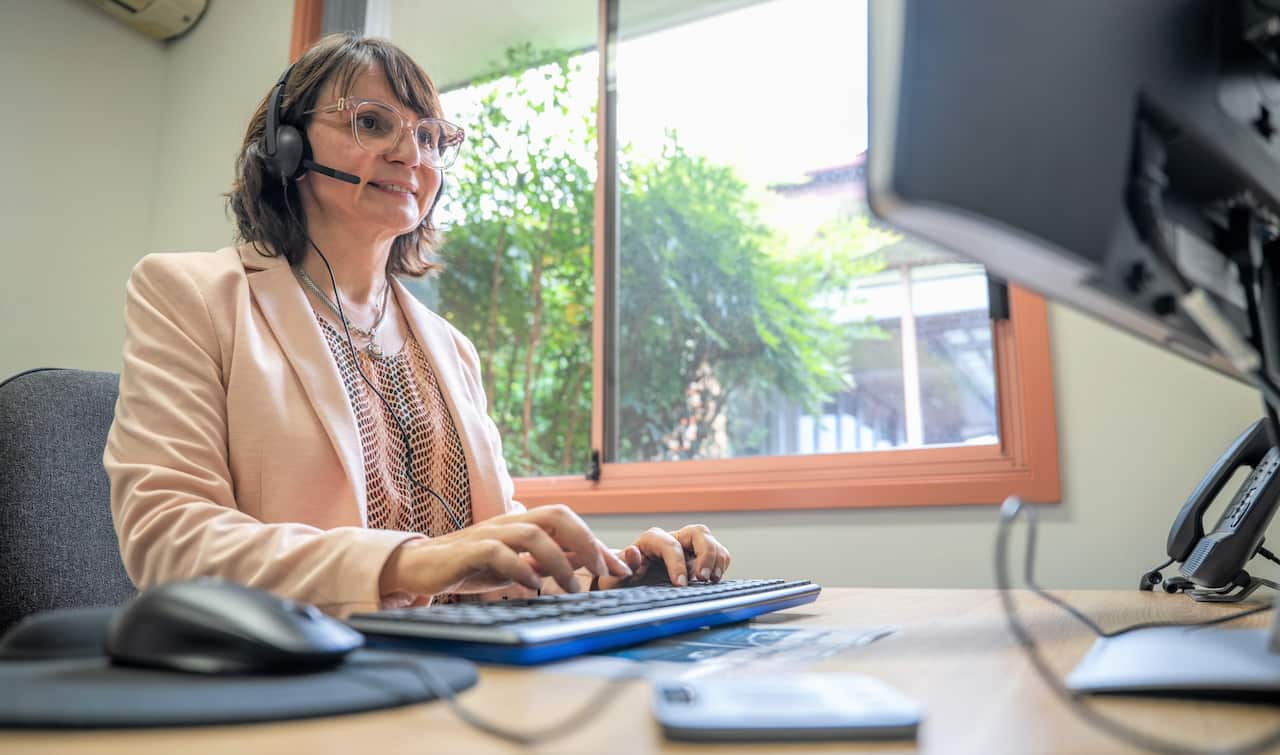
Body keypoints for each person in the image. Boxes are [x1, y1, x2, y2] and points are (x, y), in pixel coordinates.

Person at [104, 33, 731, 617]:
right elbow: (170, 543)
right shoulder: (190, 294)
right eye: (372, 123)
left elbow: (499, 568)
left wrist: (618, 574)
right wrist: (413, 562)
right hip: (299, 681)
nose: (411, 153)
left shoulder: (451, 349)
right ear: (286, 146)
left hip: (467, 682)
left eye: (430, 137)